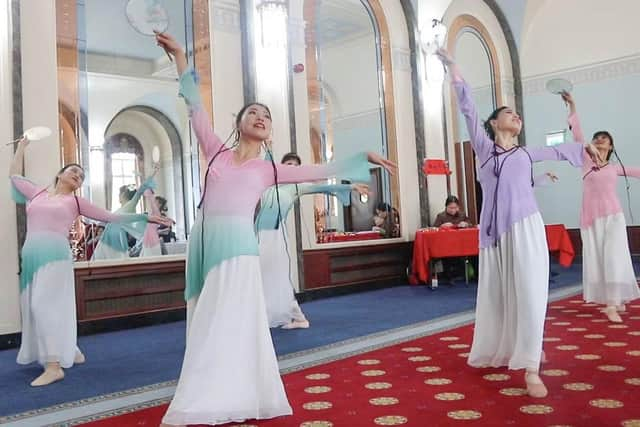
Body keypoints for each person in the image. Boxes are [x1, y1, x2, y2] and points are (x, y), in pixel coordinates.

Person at [155, 32, 395, 426]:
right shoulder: (214, 149)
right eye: (253, 112)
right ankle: (207, 382)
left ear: (269, 130)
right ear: (239, 123)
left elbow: (318, 171)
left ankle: (233, 389)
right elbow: (194, 105)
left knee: (231, 317)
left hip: (239, 248)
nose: (261, 116)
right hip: (205, 243)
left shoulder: (269, 169)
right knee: (205, 316)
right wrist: (181, 56)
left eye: (266, 115)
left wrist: (361, 155)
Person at [436, 48, 599, 398]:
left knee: (530, 291)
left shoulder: (526, 154)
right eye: (510, 113)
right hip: (494, 236)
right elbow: (468, 108)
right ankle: (513, 346)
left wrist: (574, 117)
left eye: (518, 113)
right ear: (495, 123)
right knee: (500, 295)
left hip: (526, 229)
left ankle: (530, 368)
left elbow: (568, 151)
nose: (517, 116)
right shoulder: (484, 150)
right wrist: (453, 66)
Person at [9, 138, 169, 387]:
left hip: (55, 257)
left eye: (81, 176)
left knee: (43, 305)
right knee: (38, 306)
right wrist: (21, 147)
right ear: (60, 174)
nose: (78, 176)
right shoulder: (38, 193)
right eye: (74, 170)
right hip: (31, 256)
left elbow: (113, 217)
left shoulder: (75, 202)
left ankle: (53, 366)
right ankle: (69, 348)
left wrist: (147, 216)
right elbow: (15, 176)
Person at [256, 151, 369, 329]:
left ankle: (298, 317)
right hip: (259, 234)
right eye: (287, 166)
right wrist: (268, 148)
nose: (290, 169)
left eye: (295, 167)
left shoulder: (299, 187)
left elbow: (325, 188)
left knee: (279, 276)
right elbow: (266, 165)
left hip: (276, 234)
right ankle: (268, 313)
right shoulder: (271, 182)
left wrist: (351, 187)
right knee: (260, 274)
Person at [562, 91, 640, 322]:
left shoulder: (614, 168)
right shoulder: (585, 162)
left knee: (615, 257)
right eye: (597, 137)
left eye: (604, 138)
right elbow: (578, 134)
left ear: (611, 145)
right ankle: (610, 301)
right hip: (590, 218)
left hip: (613, 217)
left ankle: (614, 303)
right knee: (599, 259)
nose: (599, 140)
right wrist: (573, 105)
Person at [91, 178, 155, 260]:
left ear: (123, 194)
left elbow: (139, 193)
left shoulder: (130, 205)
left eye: (119, 194)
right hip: (108, 237)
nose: (118, 196)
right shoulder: (122, 208)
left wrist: (153, 174)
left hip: (116, 238)